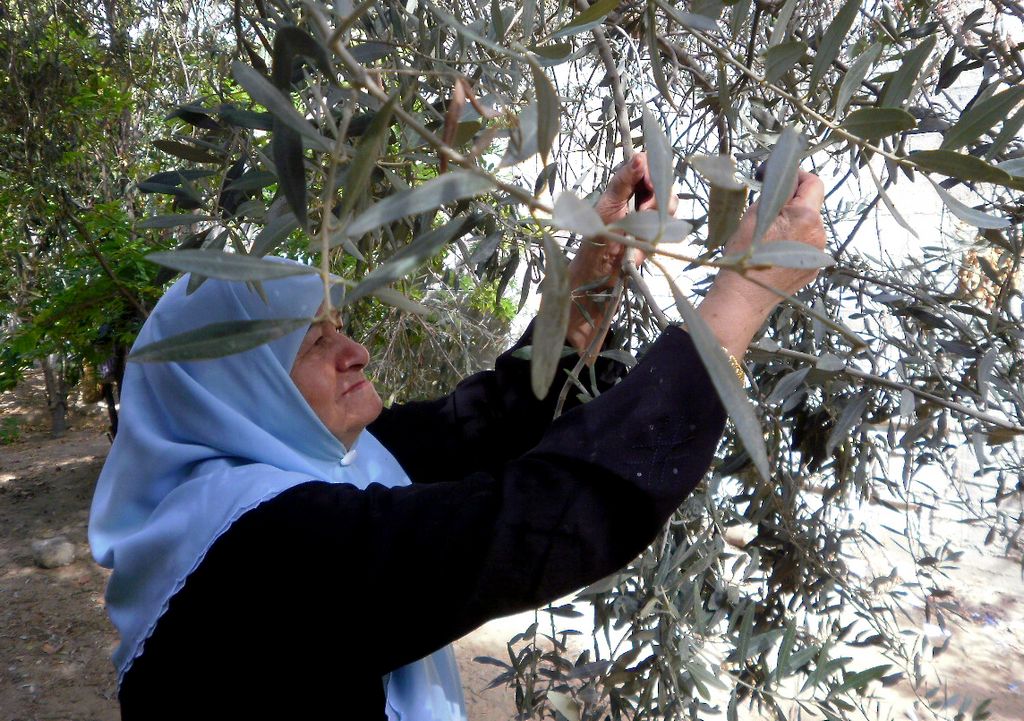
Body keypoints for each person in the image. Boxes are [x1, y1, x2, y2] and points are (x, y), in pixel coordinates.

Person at [88, 155, 826, 719]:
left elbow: (490, 418)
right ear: (233, 389)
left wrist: (591, 281)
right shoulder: (262, 549)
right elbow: (534, 521)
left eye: (338, 325)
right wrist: (741, 297)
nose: (356, 352)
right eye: (314, 343)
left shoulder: (336, 467)